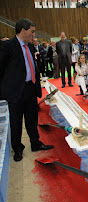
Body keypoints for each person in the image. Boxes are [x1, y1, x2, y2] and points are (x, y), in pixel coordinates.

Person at [0, 18, 54, 162]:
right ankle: (17, 148)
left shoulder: (30, 47)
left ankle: (35, 143)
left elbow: (32, 67)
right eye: (32, 31)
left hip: (30, 88)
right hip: (15, 91)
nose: (34, 35)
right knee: (16, 121)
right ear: (23, 30)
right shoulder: (7, 46)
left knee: (32, 118)